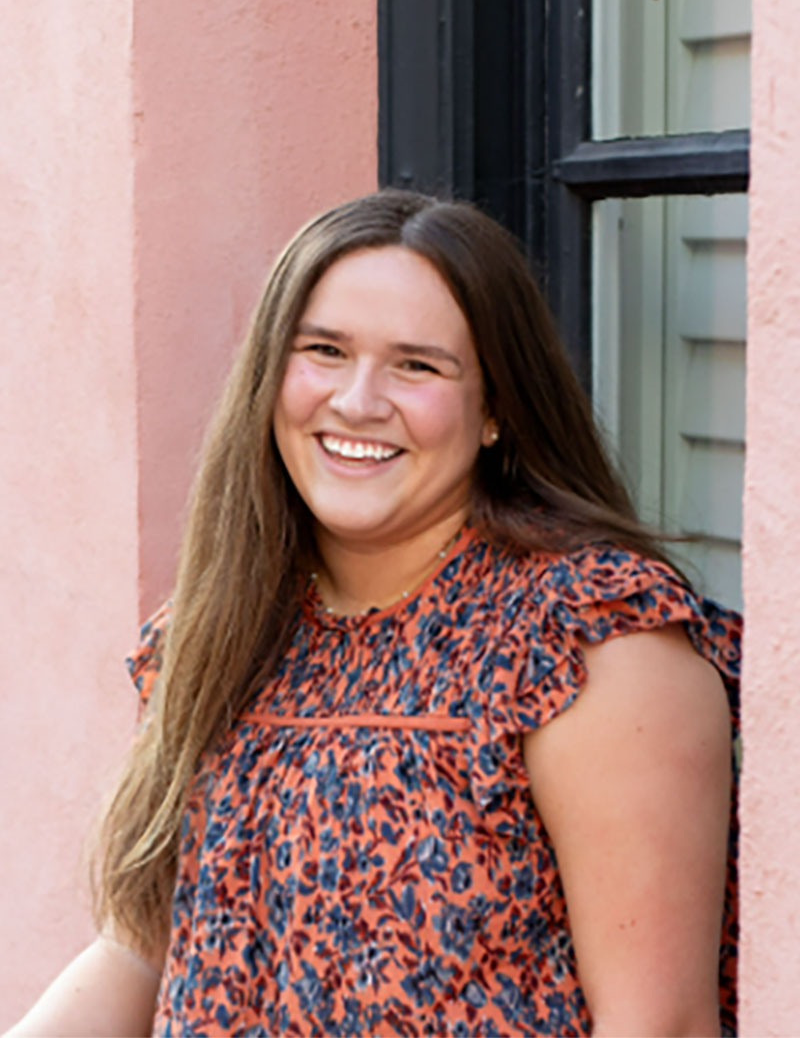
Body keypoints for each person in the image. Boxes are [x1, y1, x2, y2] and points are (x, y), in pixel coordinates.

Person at [8, 190, 740, 1038]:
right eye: (324, 350)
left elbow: (660, 1025)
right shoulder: (223, 626)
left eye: (417, 366)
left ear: (496, 409)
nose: (357, 401)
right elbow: (148, 949)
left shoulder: (588, 640)